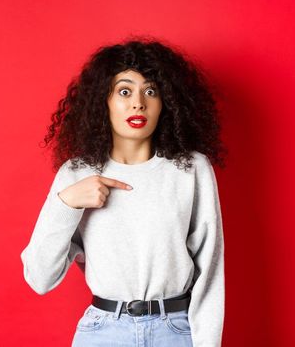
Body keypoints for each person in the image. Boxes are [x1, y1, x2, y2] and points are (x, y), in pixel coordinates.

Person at [19, 37, 228, 347]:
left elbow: (210, 273)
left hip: (175, 331)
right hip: (103, 332)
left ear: (166, 103)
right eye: (125, 91)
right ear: (103, 100)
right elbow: (39, 279)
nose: (138, 103)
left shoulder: (190, 170)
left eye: (151, 91)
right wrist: (67, 204)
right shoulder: (77, 174)